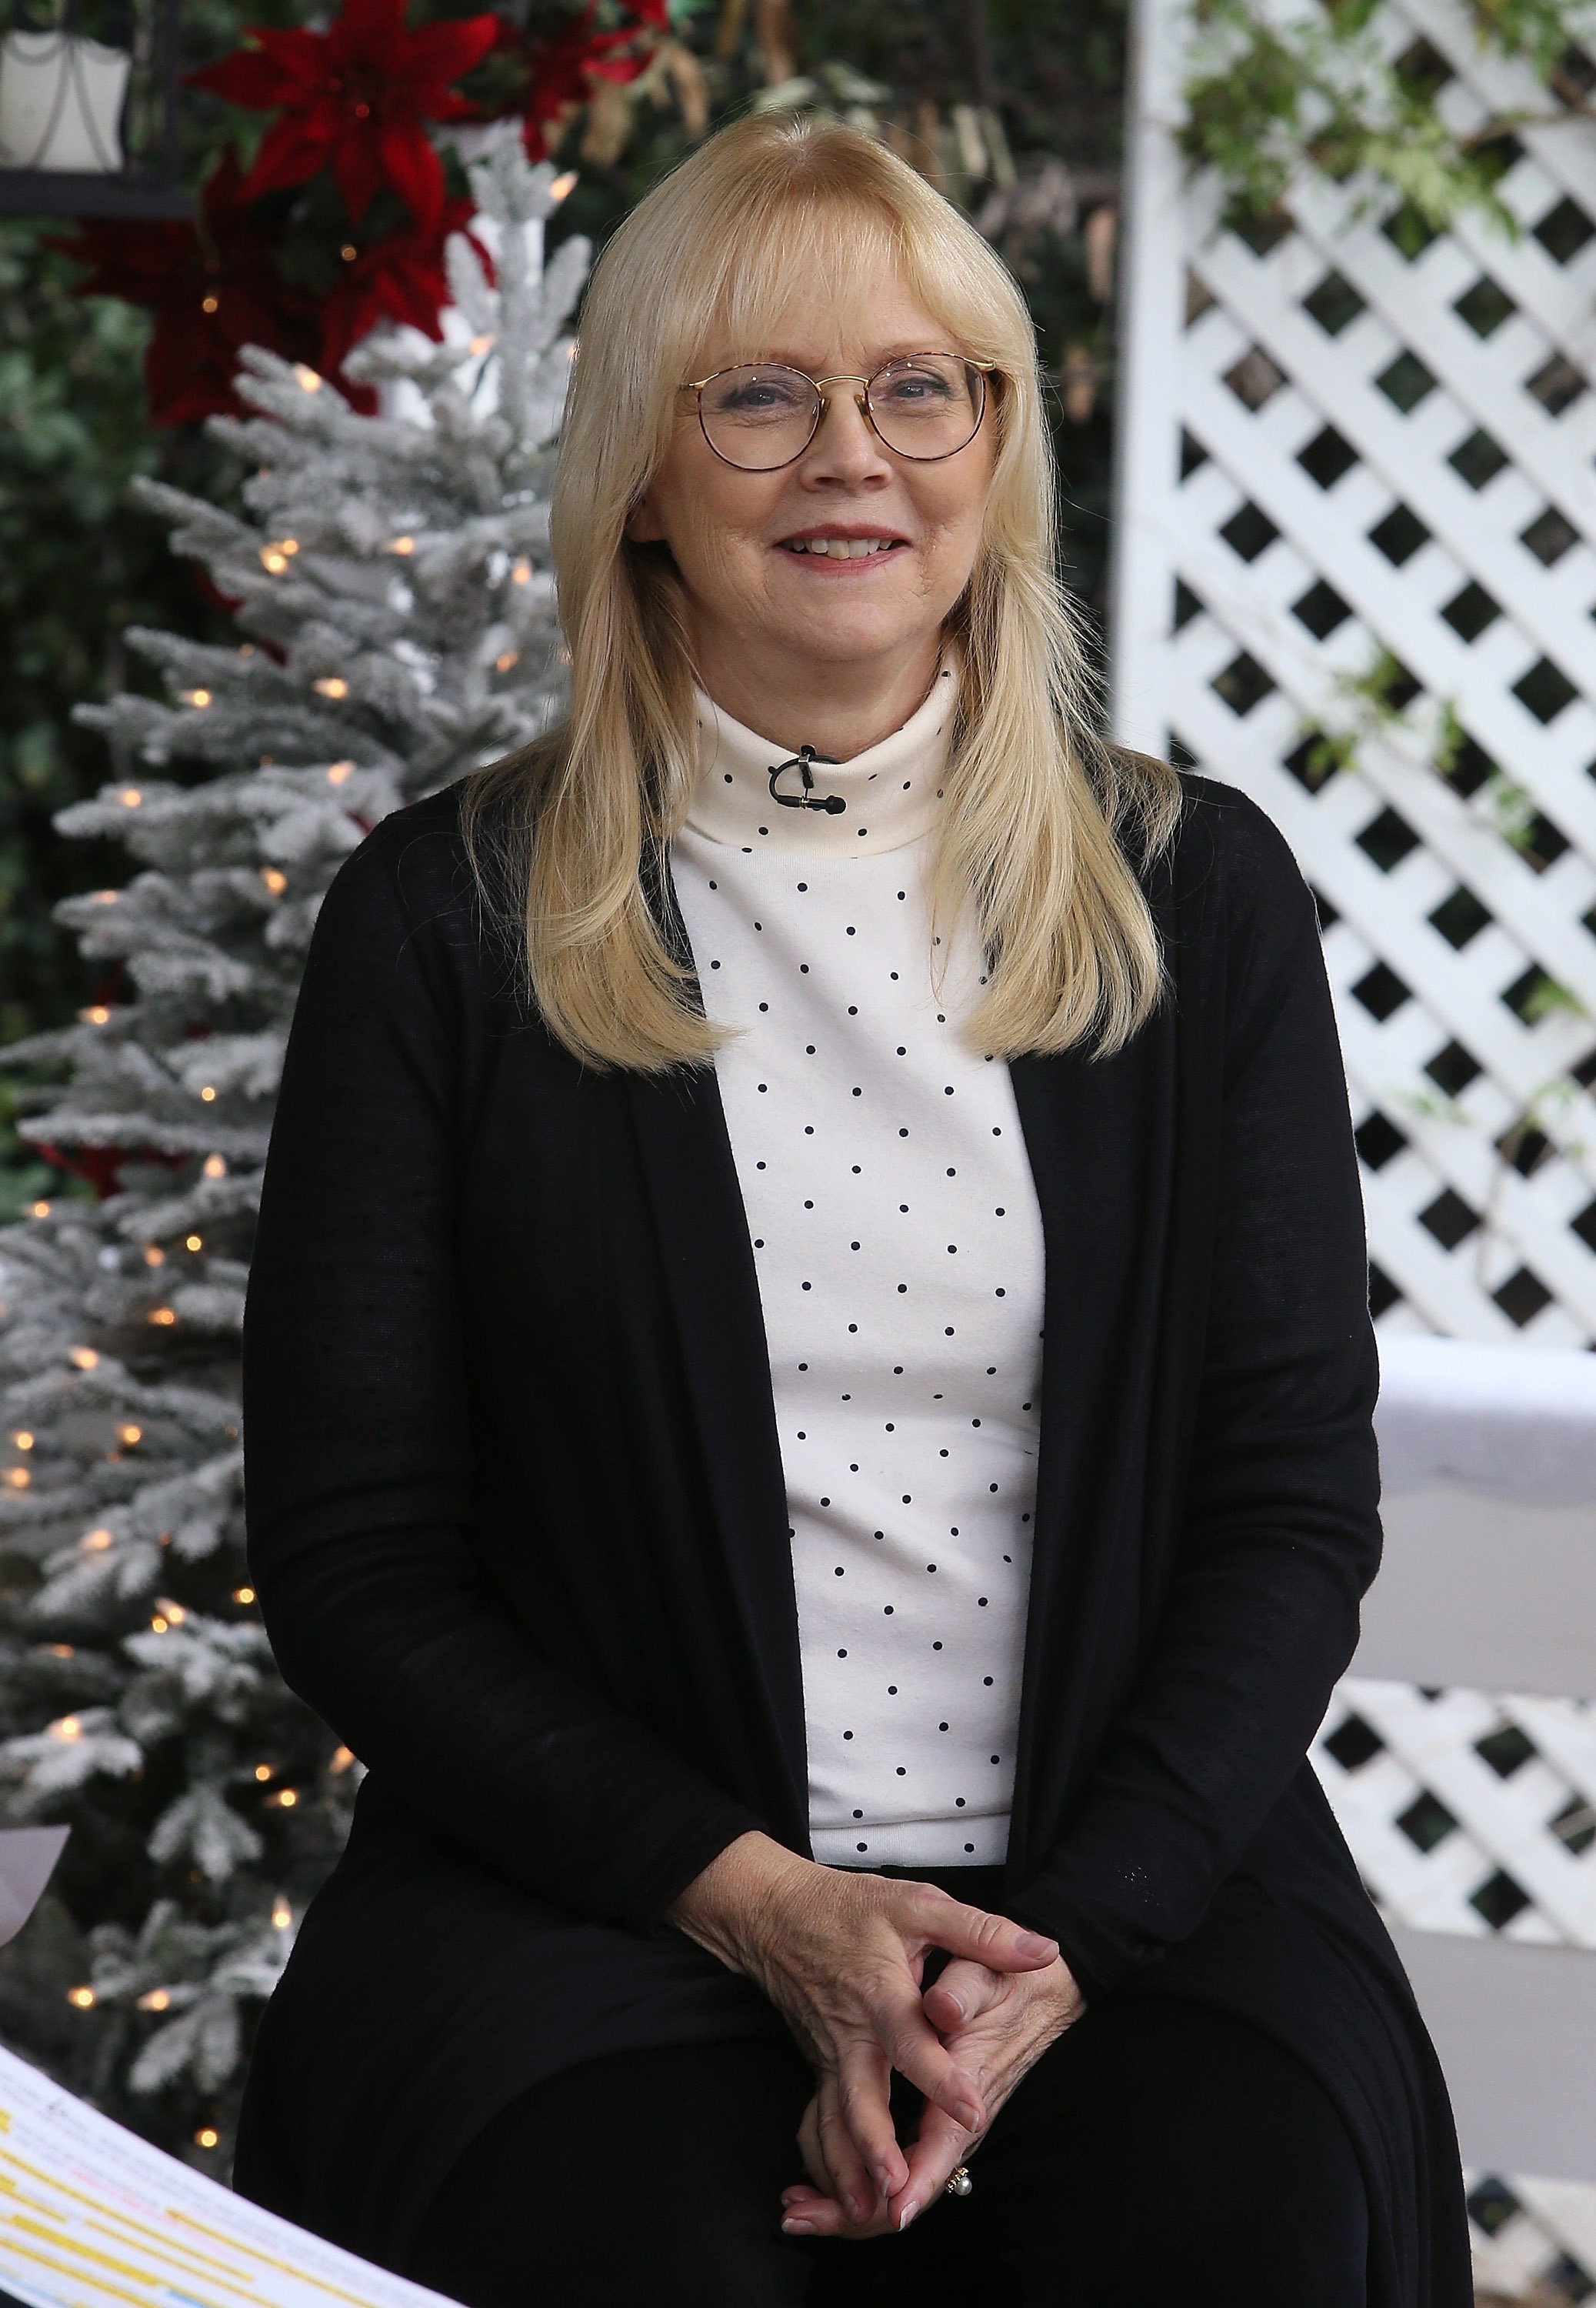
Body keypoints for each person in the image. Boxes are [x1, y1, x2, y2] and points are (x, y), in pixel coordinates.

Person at [232, 110, 1471, 2308]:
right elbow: (357, 1562)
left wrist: (1053, 1944)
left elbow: (1285, 1502)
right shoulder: (444, 923)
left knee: (1229, 2230)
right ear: (639, 459)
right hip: (603, 1886)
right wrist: (772, 1912)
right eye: (757, 393)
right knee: (624, 2256)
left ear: (996, 444)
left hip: (1122, 1898)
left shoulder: (1194, 897)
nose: (852, 457)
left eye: (923, 387)